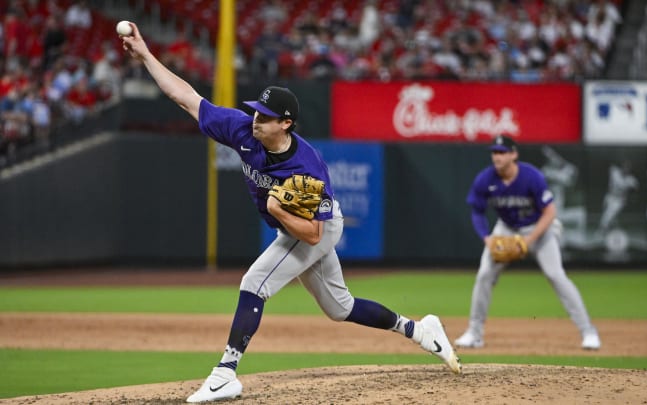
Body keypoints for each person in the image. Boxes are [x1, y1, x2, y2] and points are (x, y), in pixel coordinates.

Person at [118, 23, 461, 403]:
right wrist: (147, 55)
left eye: (265, 116)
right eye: (255, 112)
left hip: (318, 226)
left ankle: (225, 372)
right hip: (295, 224)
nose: (255, 120)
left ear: (285, 123)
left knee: (255, 282)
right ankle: (418, 329)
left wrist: (277, 208)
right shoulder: (243, 131)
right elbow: (188, 98)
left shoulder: (306, 166)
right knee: (339, 308)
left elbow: (314, 234)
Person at [454, 135, 600, 350]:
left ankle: (588, 332)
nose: (497, 156)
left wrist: (528, 240)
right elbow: (477, 212)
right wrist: (487, 238)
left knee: (555, 275)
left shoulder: (531, 176)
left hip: (538, 229)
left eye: (502, 152)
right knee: (484, 274)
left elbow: (550, 212)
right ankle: (474, 333)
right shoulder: (485, 179)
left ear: (514, 154)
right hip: (506, 229)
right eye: (494, 152)